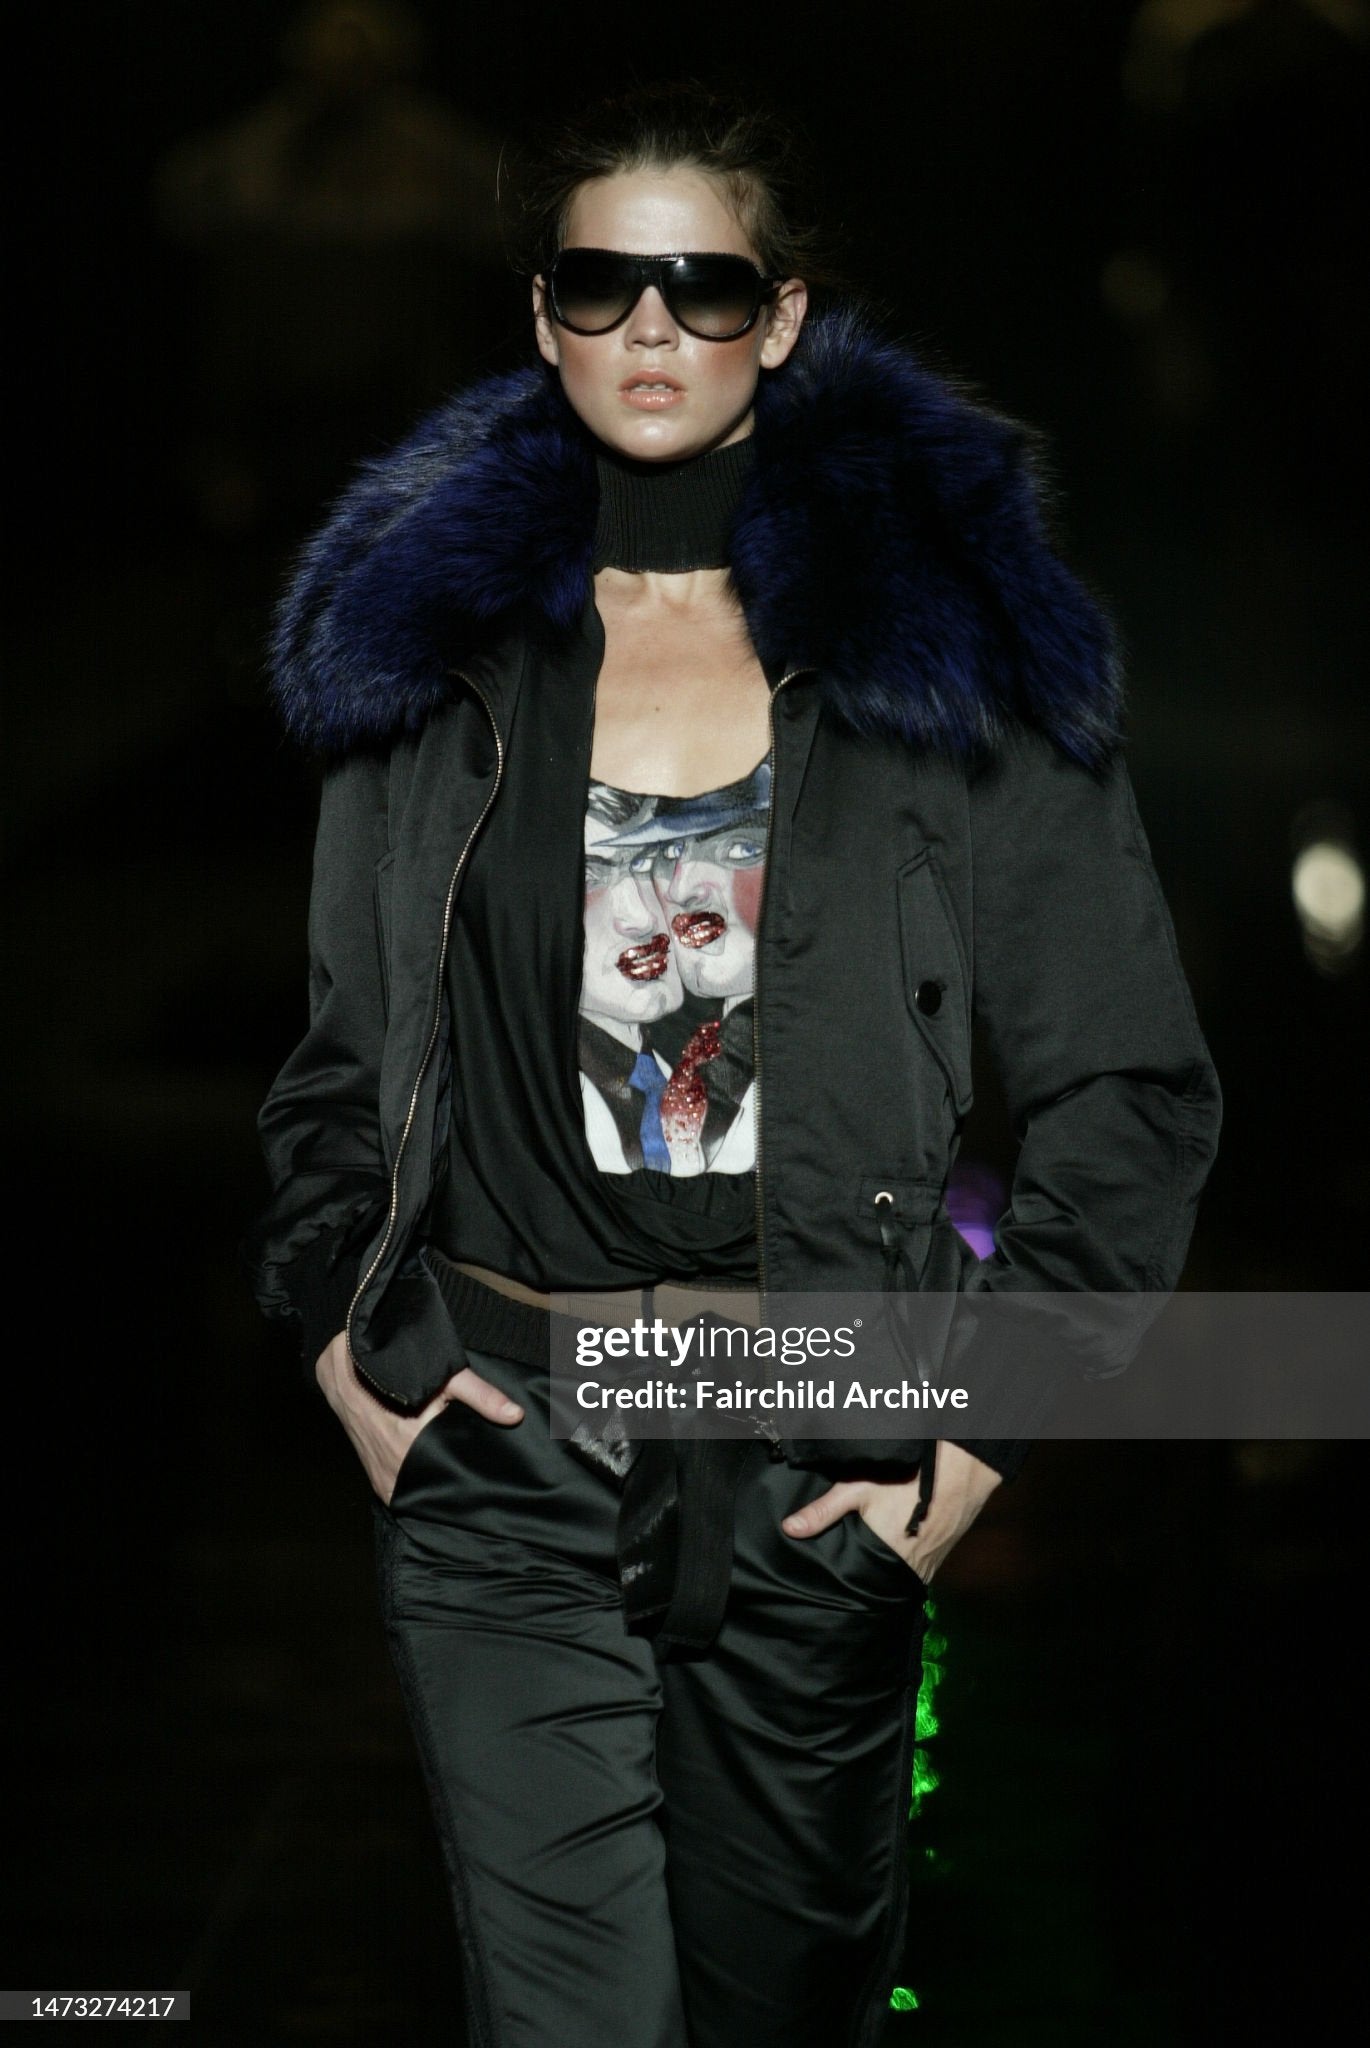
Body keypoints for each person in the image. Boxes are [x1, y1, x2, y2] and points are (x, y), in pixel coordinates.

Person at [246, 80, 1221, 2048]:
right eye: (605, 284)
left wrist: (964, 1445)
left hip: (811, 1444)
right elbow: (343, 1056)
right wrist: (351, 1332)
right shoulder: (431, 660)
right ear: (542, 315)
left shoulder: (942, 664)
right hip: (501, 1452)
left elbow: (1127, 1081)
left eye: (703, 284)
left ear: (781, 317)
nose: (652, 330)